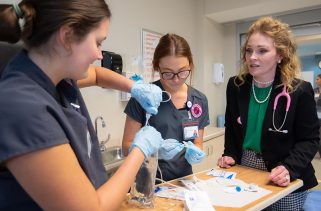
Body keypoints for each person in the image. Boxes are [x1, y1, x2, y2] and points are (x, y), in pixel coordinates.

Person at [0, 1, 166, 210]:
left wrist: (134, 87)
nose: (99, 55)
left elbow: (96, 75)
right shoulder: (24, 107)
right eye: (97, 42)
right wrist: (140, 151)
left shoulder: (57, 75)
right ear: (67, 36)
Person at [217, 16, 320, 210]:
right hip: (245, 166)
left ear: (280, 55)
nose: (252, 57)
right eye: (249, 50)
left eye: (262, 50)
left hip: (285, 171)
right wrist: (230, 154)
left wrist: (288, 168)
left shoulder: (299, 90)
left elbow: (310, 139)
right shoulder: (236, 85)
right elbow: (231, 126)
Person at [122, 33, 210, 182]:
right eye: (168, 73)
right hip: (148, 184)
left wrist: (196, 152)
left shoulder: (199, 100)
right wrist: (153, 150)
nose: (176, 79)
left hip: (184, 182)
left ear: (190, 65)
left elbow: (198, 143)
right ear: (157, 67)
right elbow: (126, 147)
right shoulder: (143, 98)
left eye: (183, 72)